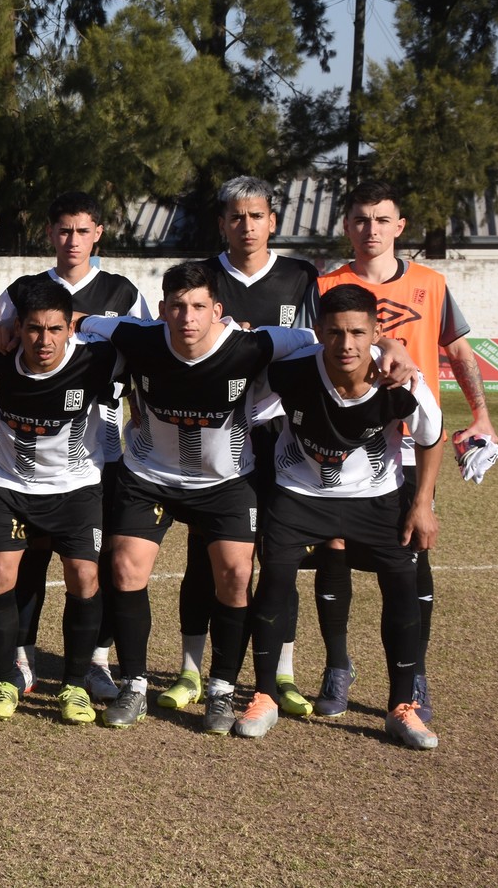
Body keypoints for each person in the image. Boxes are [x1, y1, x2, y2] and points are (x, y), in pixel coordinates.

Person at [77, 263, 328, 731]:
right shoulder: (137, 336)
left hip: (227, 482)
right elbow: (83, 321)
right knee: (125, 568)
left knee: (235, 576)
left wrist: (388, 347)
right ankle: (133, 684)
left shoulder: (254, 344)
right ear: (163, 309)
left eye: (197, 307)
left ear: (218, 311)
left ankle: (221, 689)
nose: (186, 317)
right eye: (176, 306)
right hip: (150, 474)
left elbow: (315, 341)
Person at [313, 179, 495, 721]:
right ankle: (336, 666)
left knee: (413, 552)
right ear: (347, 226)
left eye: (382, 219)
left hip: (413, 446)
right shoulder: (325, 285)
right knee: (335, 550)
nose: (371, 230)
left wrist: (481, 413)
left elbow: (459, 351)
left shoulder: (431, 284)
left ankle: (413, 674)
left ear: (400, 227)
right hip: (343, 442)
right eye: (361, 220)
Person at [241, 284, 441, 749]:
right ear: (319, 332)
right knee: (273, 581)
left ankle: (401, 706)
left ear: (376, 332)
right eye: (334, 332)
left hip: (376, 498)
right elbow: (246, 407)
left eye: (356, 333)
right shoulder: (289, 372)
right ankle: (265, 695)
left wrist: (422, 504)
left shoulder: (401, 380)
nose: (345, 344)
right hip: (300, 493)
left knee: (401, 585)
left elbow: (430, 436)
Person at [159, 176, 324, 715]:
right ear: (222, 222)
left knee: (278, 560)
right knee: (207, 558)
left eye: (257, 216)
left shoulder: (301, 276)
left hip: (279, 435)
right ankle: (190, 670)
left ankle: (279, 674)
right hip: (214, 433)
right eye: (235, 216)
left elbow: (321, 347)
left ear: (272, 221)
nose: (246, 226)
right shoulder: (203, 278)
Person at [0, 191, 149, 701]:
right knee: (29, 554)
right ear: (49, 234)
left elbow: (145, 349)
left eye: (83, 231)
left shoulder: (123, 291)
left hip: (96, 452)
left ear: (98, 233)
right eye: (64, 231)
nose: (73, 241)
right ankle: (22, 653)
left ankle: (96, 660)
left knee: (89, 564)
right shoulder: (24, 290)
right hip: (31, 453)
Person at [0, 276, 125, 724]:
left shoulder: (99, 358)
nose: (44, 340)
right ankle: (3, 679)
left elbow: (153, 338)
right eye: (34, 328)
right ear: (19, 328)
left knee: (83, 578)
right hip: (9, 485)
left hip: (76, 489)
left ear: (70, 328)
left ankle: (74, 685)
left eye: (55, 329)